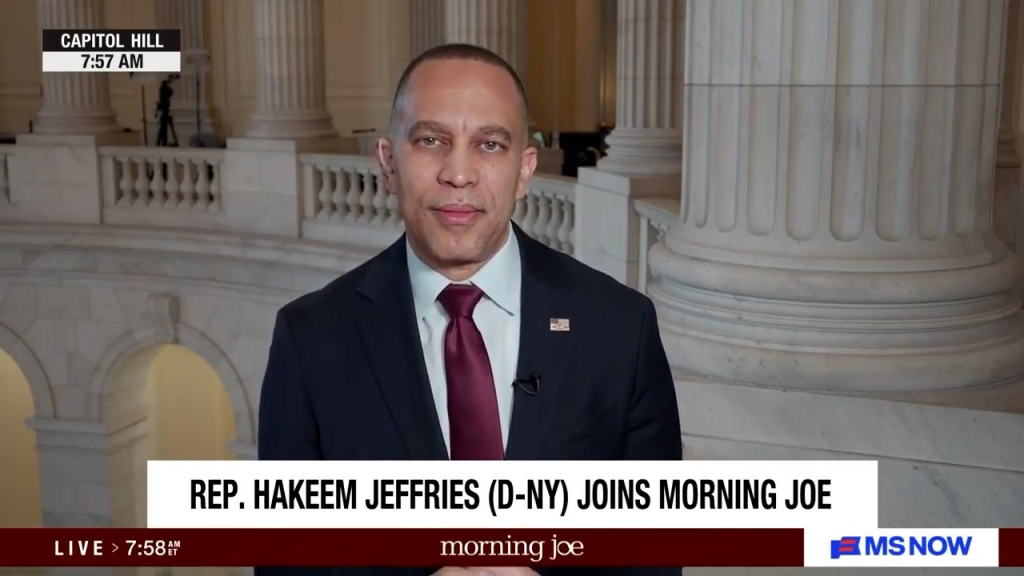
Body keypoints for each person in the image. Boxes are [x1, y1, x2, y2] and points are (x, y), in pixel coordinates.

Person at [257, 43, 682, 576]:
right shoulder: (309, 340)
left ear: (525, 171)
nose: (459, 174)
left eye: (489, 144)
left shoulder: (620, 328)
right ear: (389, 163)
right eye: (432, 140)